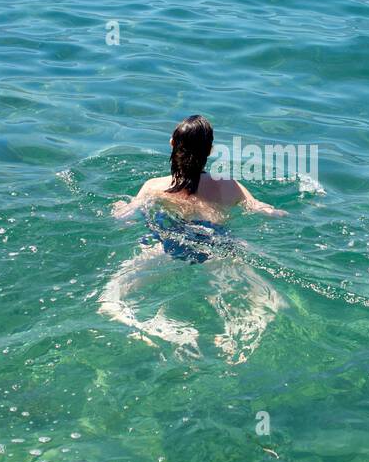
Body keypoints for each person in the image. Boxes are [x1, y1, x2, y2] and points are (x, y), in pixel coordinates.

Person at [98, 116, 287, 361]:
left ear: (171, 143)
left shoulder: (153, 187)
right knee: (267, 301)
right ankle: (233, 343)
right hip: (217, 248)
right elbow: (265, 212)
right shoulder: (229, 186)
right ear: (210, 150)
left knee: (111, 298)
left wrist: (118, 206)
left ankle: (154, 330)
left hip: (165, 246)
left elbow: (122, 219)